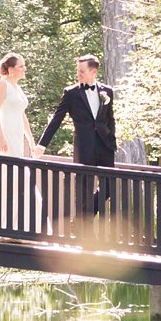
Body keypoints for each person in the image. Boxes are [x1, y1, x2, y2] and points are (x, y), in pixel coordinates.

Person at [38, 54, 117, 213]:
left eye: (82, 71)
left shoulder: (107, 91)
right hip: (84, 147)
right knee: (83, 191)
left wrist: (111, 138)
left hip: (105, 146)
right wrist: (42, 144)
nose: (78, 74)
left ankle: (83, 216)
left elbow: (110, 118)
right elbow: (56, 119)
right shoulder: (71, 93)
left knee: (109, 187)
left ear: (93, 72)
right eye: (78, 71)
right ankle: (83, 230)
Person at [0, 52, 39, 157]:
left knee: (17, 164)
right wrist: (1, 136)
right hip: (6, 130)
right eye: (21, 66)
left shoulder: (17, 87)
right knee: (9, 165)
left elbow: (22, 114)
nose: (24, 69)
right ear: (11, 69)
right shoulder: (3, 84)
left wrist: (30, 139)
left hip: (17, 131)